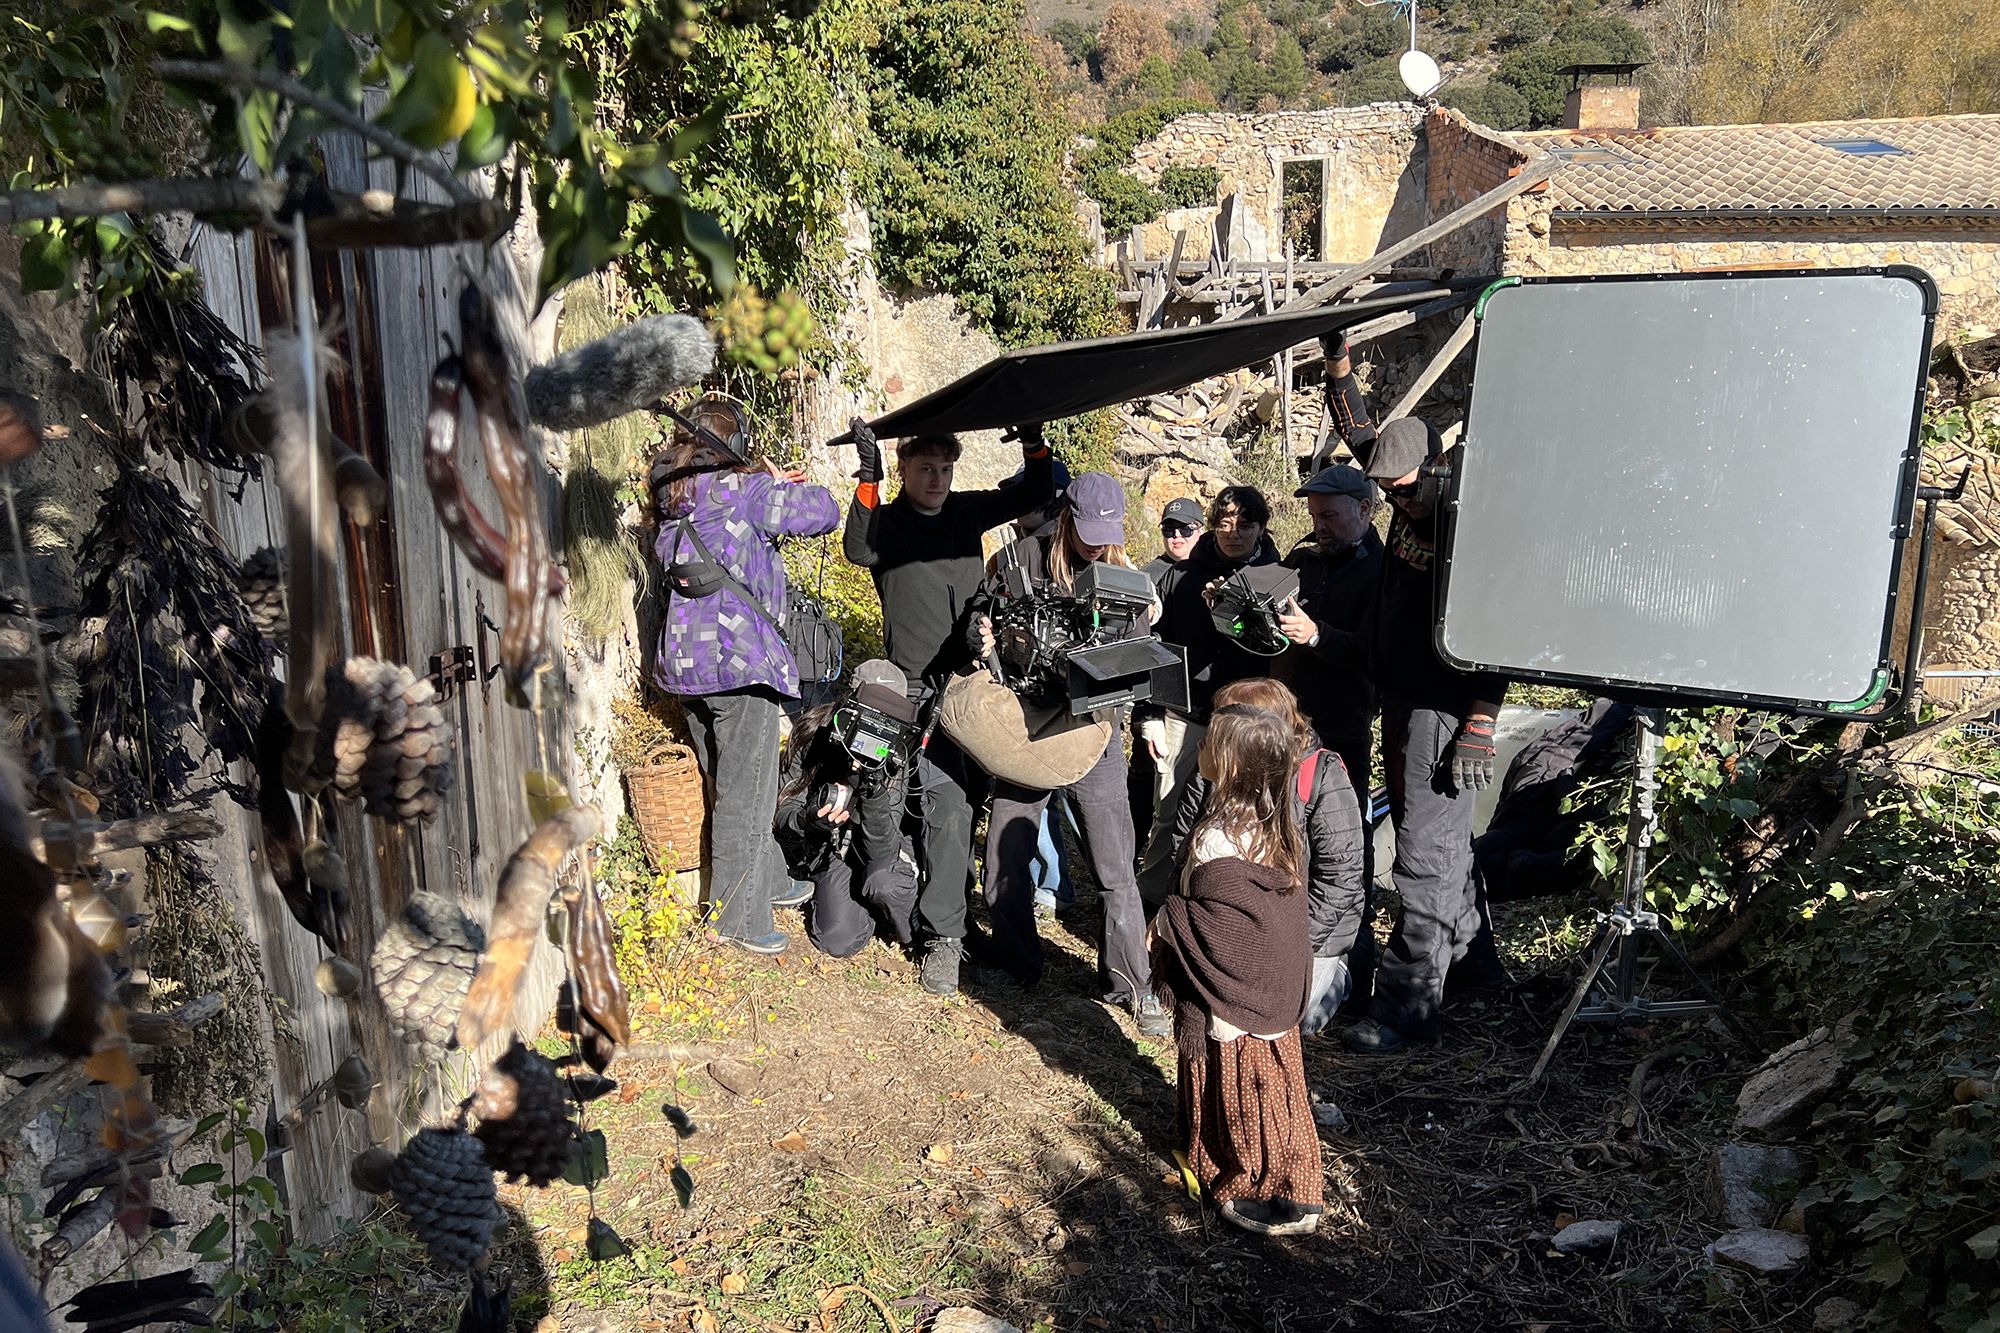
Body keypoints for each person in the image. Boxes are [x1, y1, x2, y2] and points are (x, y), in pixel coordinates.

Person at [1322, 335, 1511, 1053]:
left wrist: (1481, 721)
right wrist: (1336, 356)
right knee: (1443, 845)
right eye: (1385, 490)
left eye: (1402, 489)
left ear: (1436, 470)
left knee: (1423, 858)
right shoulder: (1407, 489)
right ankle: (1476, 966)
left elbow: (1499, 630)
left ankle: (1407, 1007)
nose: (1393, 501)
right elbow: (1361, 428)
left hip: (1444, 707)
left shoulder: (1470, 528)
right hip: (1401, 698)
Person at [842, 418, 1055, 995]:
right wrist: (868, 478)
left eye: (945, 469)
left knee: (960, 804)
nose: (937, 479)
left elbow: (1036, 491)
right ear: (905, 471)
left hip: (969, 686)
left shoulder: (965, 512)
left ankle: (948, 923)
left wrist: (1033, 441)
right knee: (937, 804)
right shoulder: (888, 525)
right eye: (925, 469)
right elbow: (857, 547)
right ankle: (941, 935)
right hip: (912, 691)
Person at [967, 473, 1169, 1037]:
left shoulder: (1125, 580)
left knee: (1113, 863)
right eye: (1085, 531)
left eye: (1106, 533)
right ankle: (1015, 960)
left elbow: (1137, 666)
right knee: (1008, 846)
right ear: (1065, 517)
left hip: (1093, 732)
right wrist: (981, 636)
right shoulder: (1019, 559)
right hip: (1027, 724)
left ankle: (1134, 984)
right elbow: (979, 619)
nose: (1094, 543)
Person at [652, 395, 840, 955]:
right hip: (740, 662)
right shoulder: (746, 491)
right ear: (735, 447)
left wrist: (759, 481)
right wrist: (773, 481)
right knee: (748, 797)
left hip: (685, 667)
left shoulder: (672, 496)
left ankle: (772, 880)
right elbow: (823, 512)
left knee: (729, 785)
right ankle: (736, 918)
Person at [1149, 701, 1326, 1237]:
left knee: (1245, 1085)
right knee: (1273, 1082)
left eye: (1206, 745)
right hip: (1266, 986)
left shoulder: (1220, 838)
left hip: (1236, 990)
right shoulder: (1278, 827)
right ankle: (1277, 1170)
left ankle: (1258, 1181)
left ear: (1227, 763)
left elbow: (1229, 924)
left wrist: (1169, 918)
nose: (1196, 749)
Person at [1168, 678, 1366, 1035]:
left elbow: (1342, 875)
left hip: (1305, 929)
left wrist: (1293, 946)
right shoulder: (1213, 766)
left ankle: (1342, 977)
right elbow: (1183, 843)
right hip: (1237, 920)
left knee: (1293, 1021)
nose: (1213, 737)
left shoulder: (1321, 775)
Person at [1138, 485, 1284, 904]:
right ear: (1212, 526)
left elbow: (1278, 655)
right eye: (1225, 524)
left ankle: (1216, 901)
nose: (1234, 533)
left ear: (1261, 528)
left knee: (1237, 816)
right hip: (1183, 711)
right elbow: (1158, 646)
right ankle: (1153, 899)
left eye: (1245, 525)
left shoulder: (1277, 576)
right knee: (1168, 811)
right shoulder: (1180, 573)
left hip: (1244, 720)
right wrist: (1150, 714)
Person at [1273, 461, 1385, 1006]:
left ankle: (1349, 975)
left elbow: (1373, 656)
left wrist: (1318, 636)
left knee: (1341, 847)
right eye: (1315, 515)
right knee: (1281, 833)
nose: (1320, 524)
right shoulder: (1303, 560)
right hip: (1287, 720)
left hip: (1341, 728)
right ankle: (1282, 954)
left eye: (1331, 516)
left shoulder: (1382, 572)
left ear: (1364, 510)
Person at [774, 659, 922, 958]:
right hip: (830, 853)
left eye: (888, 721)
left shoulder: (896, 757)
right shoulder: (813, 733)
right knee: (838, 939)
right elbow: (781, 810)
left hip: (879, 853)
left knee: (885, 882)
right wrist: (809, 820)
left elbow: (885, 849)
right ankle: (866, 908)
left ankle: (915, 935)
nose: (875, 731)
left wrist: (873, 787)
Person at [1130, 496, 1203, 844]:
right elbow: (1140, 652)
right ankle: (1132, 865)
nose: (1176, 537)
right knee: (1145, 782)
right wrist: (1148, 715)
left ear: (1200, 530)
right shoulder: (1147, 576)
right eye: (1169, 530)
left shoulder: (1213, 573)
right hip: (1157, 699)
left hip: (1200, 705)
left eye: (1185, 530)